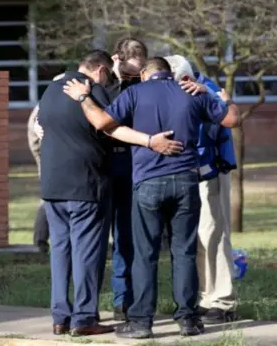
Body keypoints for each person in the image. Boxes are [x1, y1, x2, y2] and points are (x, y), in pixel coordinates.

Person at [62, 57, 241, 339]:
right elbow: (232, 120)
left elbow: (100, 122)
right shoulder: (192, 91)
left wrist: (83, 97)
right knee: (184, 252)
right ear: (170, 74)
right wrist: (225, 99)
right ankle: (188, 320)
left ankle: (142, 322)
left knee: (145, 254)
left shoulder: (134, 92)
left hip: (148, 183)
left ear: (145, 74)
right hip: (186, 181)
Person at [38, 50, 182, 337]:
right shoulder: (93, 91)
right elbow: (110, 126)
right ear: (101, 70)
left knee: (61, 252)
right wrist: (150, 141)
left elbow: (43, 127)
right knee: (86, 253)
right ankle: (84, 317)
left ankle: (59, 317)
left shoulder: (50, 91)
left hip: (52, 185)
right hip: (86, 184)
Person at [164, 55, 239, 324]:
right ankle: (201, 299)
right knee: (192, 240)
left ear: (184, 79)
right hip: (182, 174)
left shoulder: (206, 90)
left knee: (213, 235)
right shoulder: (178, 86)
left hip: (209, 172)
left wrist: (213, 96)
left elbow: (229, 119)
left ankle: (221, 302)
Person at [105, 37, 148, 321]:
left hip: (134, 165)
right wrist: (117, 80)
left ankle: (125, 300)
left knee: (127, 236)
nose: (134, 77)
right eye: (131, 71)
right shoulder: (103, 87)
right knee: (97, 238)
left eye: (139, 72)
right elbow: (102, 116)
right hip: (105, 166)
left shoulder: (146, 87)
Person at [28, 73, 66, 254]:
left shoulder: (48, 102)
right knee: (47, 197)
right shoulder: (47, 104)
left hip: (50, 155)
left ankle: (42, 239)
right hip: (49, 156)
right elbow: (35, 137)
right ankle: (40, 240)